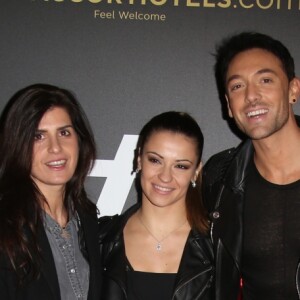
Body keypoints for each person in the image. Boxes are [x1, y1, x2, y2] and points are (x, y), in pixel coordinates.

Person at [203, 31, 300, 300]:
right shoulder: (219, 177)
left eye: (265, 80)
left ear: (293, 89)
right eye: (237, 86)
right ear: (228, 106)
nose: (251, 96)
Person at [0, 83, 102, 300]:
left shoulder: (87, 218)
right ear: (18, 143)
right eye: (39, 136)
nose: (55, 147)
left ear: (79, 140)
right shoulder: (6, 226)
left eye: (64, 132)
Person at [98, 111, 214, 299]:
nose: (165, 176)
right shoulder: (100, 240)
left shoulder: (216, 246)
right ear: (139, 159)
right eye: (155, 160)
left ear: (196, 171)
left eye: (181, 166)